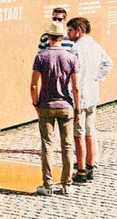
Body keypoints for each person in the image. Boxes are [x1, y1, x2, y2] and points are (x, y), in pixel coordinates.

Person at [30, 21, 80, 196]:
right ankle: (66, 184)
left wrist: (36, 104)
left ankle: (48, 185)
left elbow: (34, 85)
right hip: (66, 106)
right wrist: (78, 108)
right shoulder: (71, 58)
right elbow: (76, 87)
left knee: (47, 146)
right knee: (67, 146)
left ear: (49, 38)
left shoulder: (41, 57)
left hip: (47, 105)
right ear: (62, 37)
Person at [67, 17, 113, 184]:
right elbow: (108, 63)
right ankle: (90, 166)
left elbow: (70, 75)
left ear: (78, 30)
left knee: (78, 135)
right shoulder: (95, 46)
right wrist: (97, 78)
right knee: (90, 132)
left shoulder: (75, 49)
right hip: (93, 94)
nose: (68, 34)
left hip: (79, 97)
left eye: (70, 30)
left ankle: (80, 171)